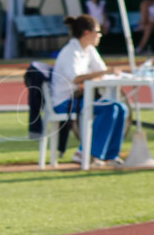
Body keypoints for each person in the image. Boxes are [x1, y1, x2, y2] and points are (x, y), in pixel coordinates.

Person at [50, 14, 127, 166]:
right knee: (108, 109)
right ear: (86, 33)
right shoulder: (70, 52)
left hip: (82, 98)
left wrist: (104, 73)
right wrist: (103, 74)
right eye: (97, 32)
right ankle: (86, 153)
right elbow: (76, 78)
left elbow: (101, 70)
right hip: (66, 101)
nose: (100, 35)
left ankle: (110, 156)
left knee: (121, 108)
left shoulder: (89, 50)